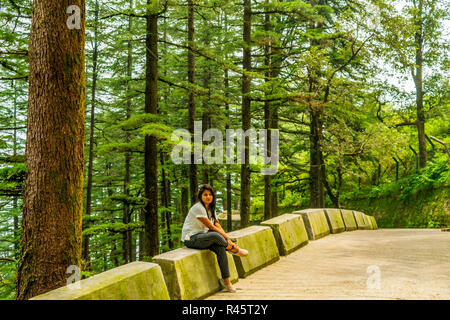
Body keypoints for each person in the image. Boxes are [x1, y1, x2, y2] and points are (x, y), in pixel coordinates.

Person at [181, 184, 248, 293]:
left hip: (202, 237)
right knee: (215, 235)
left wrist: (228, 240)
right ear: (200, 196)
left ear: (213, 196)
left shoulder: (211, 208)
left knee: (220, 248)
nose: (208, 197)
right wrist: (231, 244)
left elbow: (217, 224)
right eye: (205, 195)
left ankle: (227, 282)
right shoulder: (198, 208)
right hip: (190, 239)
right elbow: (211, 227)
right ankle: (234, 250)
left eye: (210, 194)